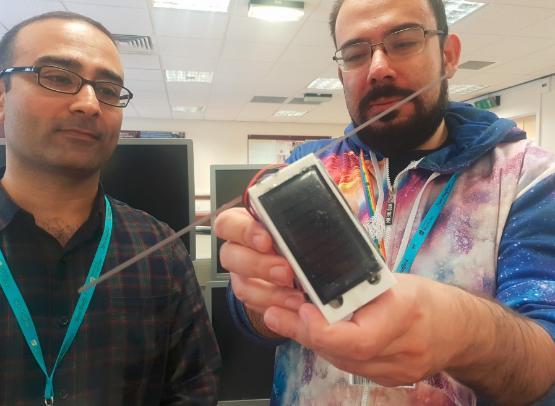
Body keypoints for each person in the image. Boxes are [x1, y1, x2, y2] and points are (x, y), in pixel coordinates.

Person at [214, 0, 555, 404]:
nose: (378, 68)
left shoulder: (527, 178)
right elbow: (251, 318)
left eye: (404, 41)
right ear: (342, 73)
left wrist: (464, 332)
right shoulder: (302, 174)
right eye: (356, 53)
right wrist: (260, 296)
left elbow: (544, 363)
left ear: (448, 56)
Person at [0, 11, 221, 405]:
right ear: (2, 100)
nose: (89, 103)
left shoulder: (160, 251)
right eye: (57, 77)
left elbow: (195, 390)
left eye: (108, 89)